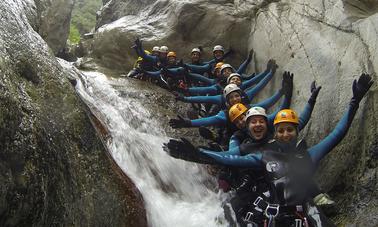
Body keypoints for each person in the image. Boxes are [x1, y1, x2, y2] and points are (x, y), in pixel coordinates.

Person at [164, 73, 373, 227]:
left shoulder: (302, 154)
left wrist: (352, 102)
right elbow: (232, 158)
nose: (284, 134)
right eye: (280, 131)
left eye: (288, 130)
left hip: (294, 204)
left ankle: (317, 198)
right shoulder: (248, 146)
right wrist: (200, 154)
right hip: (263, 198)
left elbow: (335, 134)